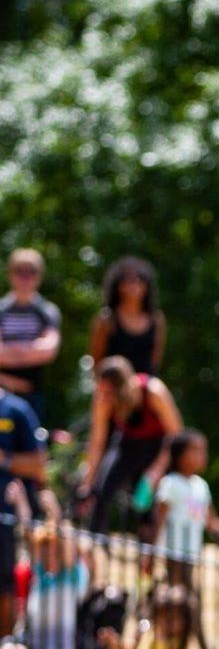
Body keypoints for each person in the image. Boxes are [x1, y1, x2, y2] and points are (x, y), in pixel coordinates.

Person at [81, 356, 182, 535]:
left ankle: (147, 551)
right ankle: (96, 544)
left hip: (158, 447)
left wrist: (156, 470)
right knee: (101, 492)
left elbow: (175, 433)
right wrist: (87, 482)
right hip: (127, 444)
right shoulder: (103, 398)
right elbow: (97, 442)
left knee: (146, 506)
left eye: (110, 394)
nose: (106, 399)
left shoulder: (153, 391)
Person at [154, 430, 219, 588]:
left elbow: (210, 520)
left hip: (192, 552)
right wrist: (151, 553)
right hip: (173, 551)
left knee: (188, 594)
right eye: (196, 450)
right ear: (180, 455)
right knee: (174, 594)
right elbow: (159, 519)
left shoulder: (201, 486)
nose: (203, 455)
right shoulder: (171, 483)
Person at [0, 388, 46, 636]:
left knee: (5, 588)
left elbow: (40, 466)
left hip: (8, 526)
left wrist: (4, 459)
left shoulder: (17, 410)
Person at [0, 249, 62, 422]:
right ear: (10, 274)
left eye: (31, 272)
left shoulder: (47, 311)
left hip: (34, 395)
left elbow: (48, 351)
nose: (25, 277)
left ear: (39, 276)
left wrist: (10, 350)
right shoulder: (2, 310)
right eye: (20, 271)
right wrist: (31, 349)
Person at [89, 257, 166, 376]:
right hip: (113, 387)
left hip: (144, 385)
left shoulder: (156, 320)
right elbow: (97, 362)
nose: (134, 283)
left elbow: (155, 362)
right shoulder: (106, 320)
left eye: (139, 278)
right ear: (118, 285)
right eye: (127, 279)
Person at [25, 521, 91, 649]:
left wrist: (57, 514)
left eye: (51, 550)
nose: (46, 556)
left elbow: (69, 545)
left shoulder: (71, 576)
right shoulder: (40, 575)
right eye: (44, 550)